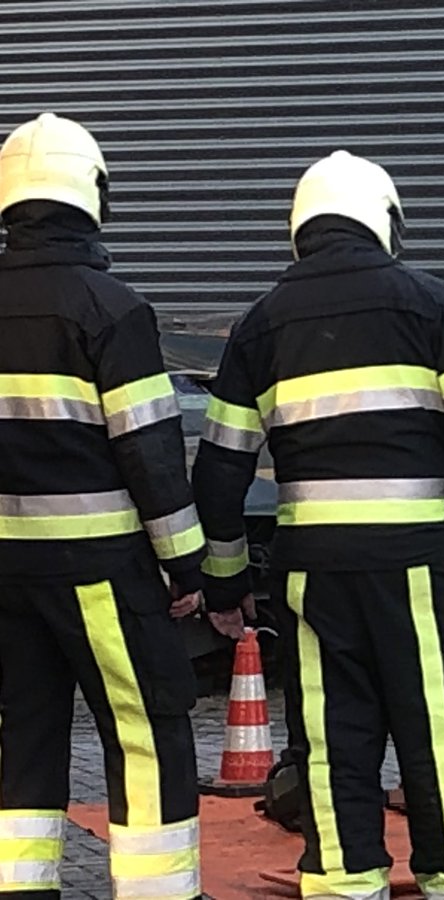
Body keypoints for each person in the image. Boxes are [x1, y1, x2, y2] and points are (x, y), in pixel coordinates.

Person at [191, 150, 444, 900]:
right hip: (411, 561)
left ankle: (347, 883)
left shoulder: (260, 324)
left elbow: (220, 470)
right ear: (385, 221)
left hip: (313, 569)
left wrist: (223, 583)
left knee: (332, 740)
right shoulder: (430, 304)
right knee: (438, 733)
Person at [0, 113, 204, 898]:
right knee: (146, 731)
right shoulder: (113, 310)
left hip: (7, 575)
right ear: (93, 198)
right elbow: (152, 455)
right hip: (101, 571)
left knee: (25, 734)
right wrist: (186, 567)